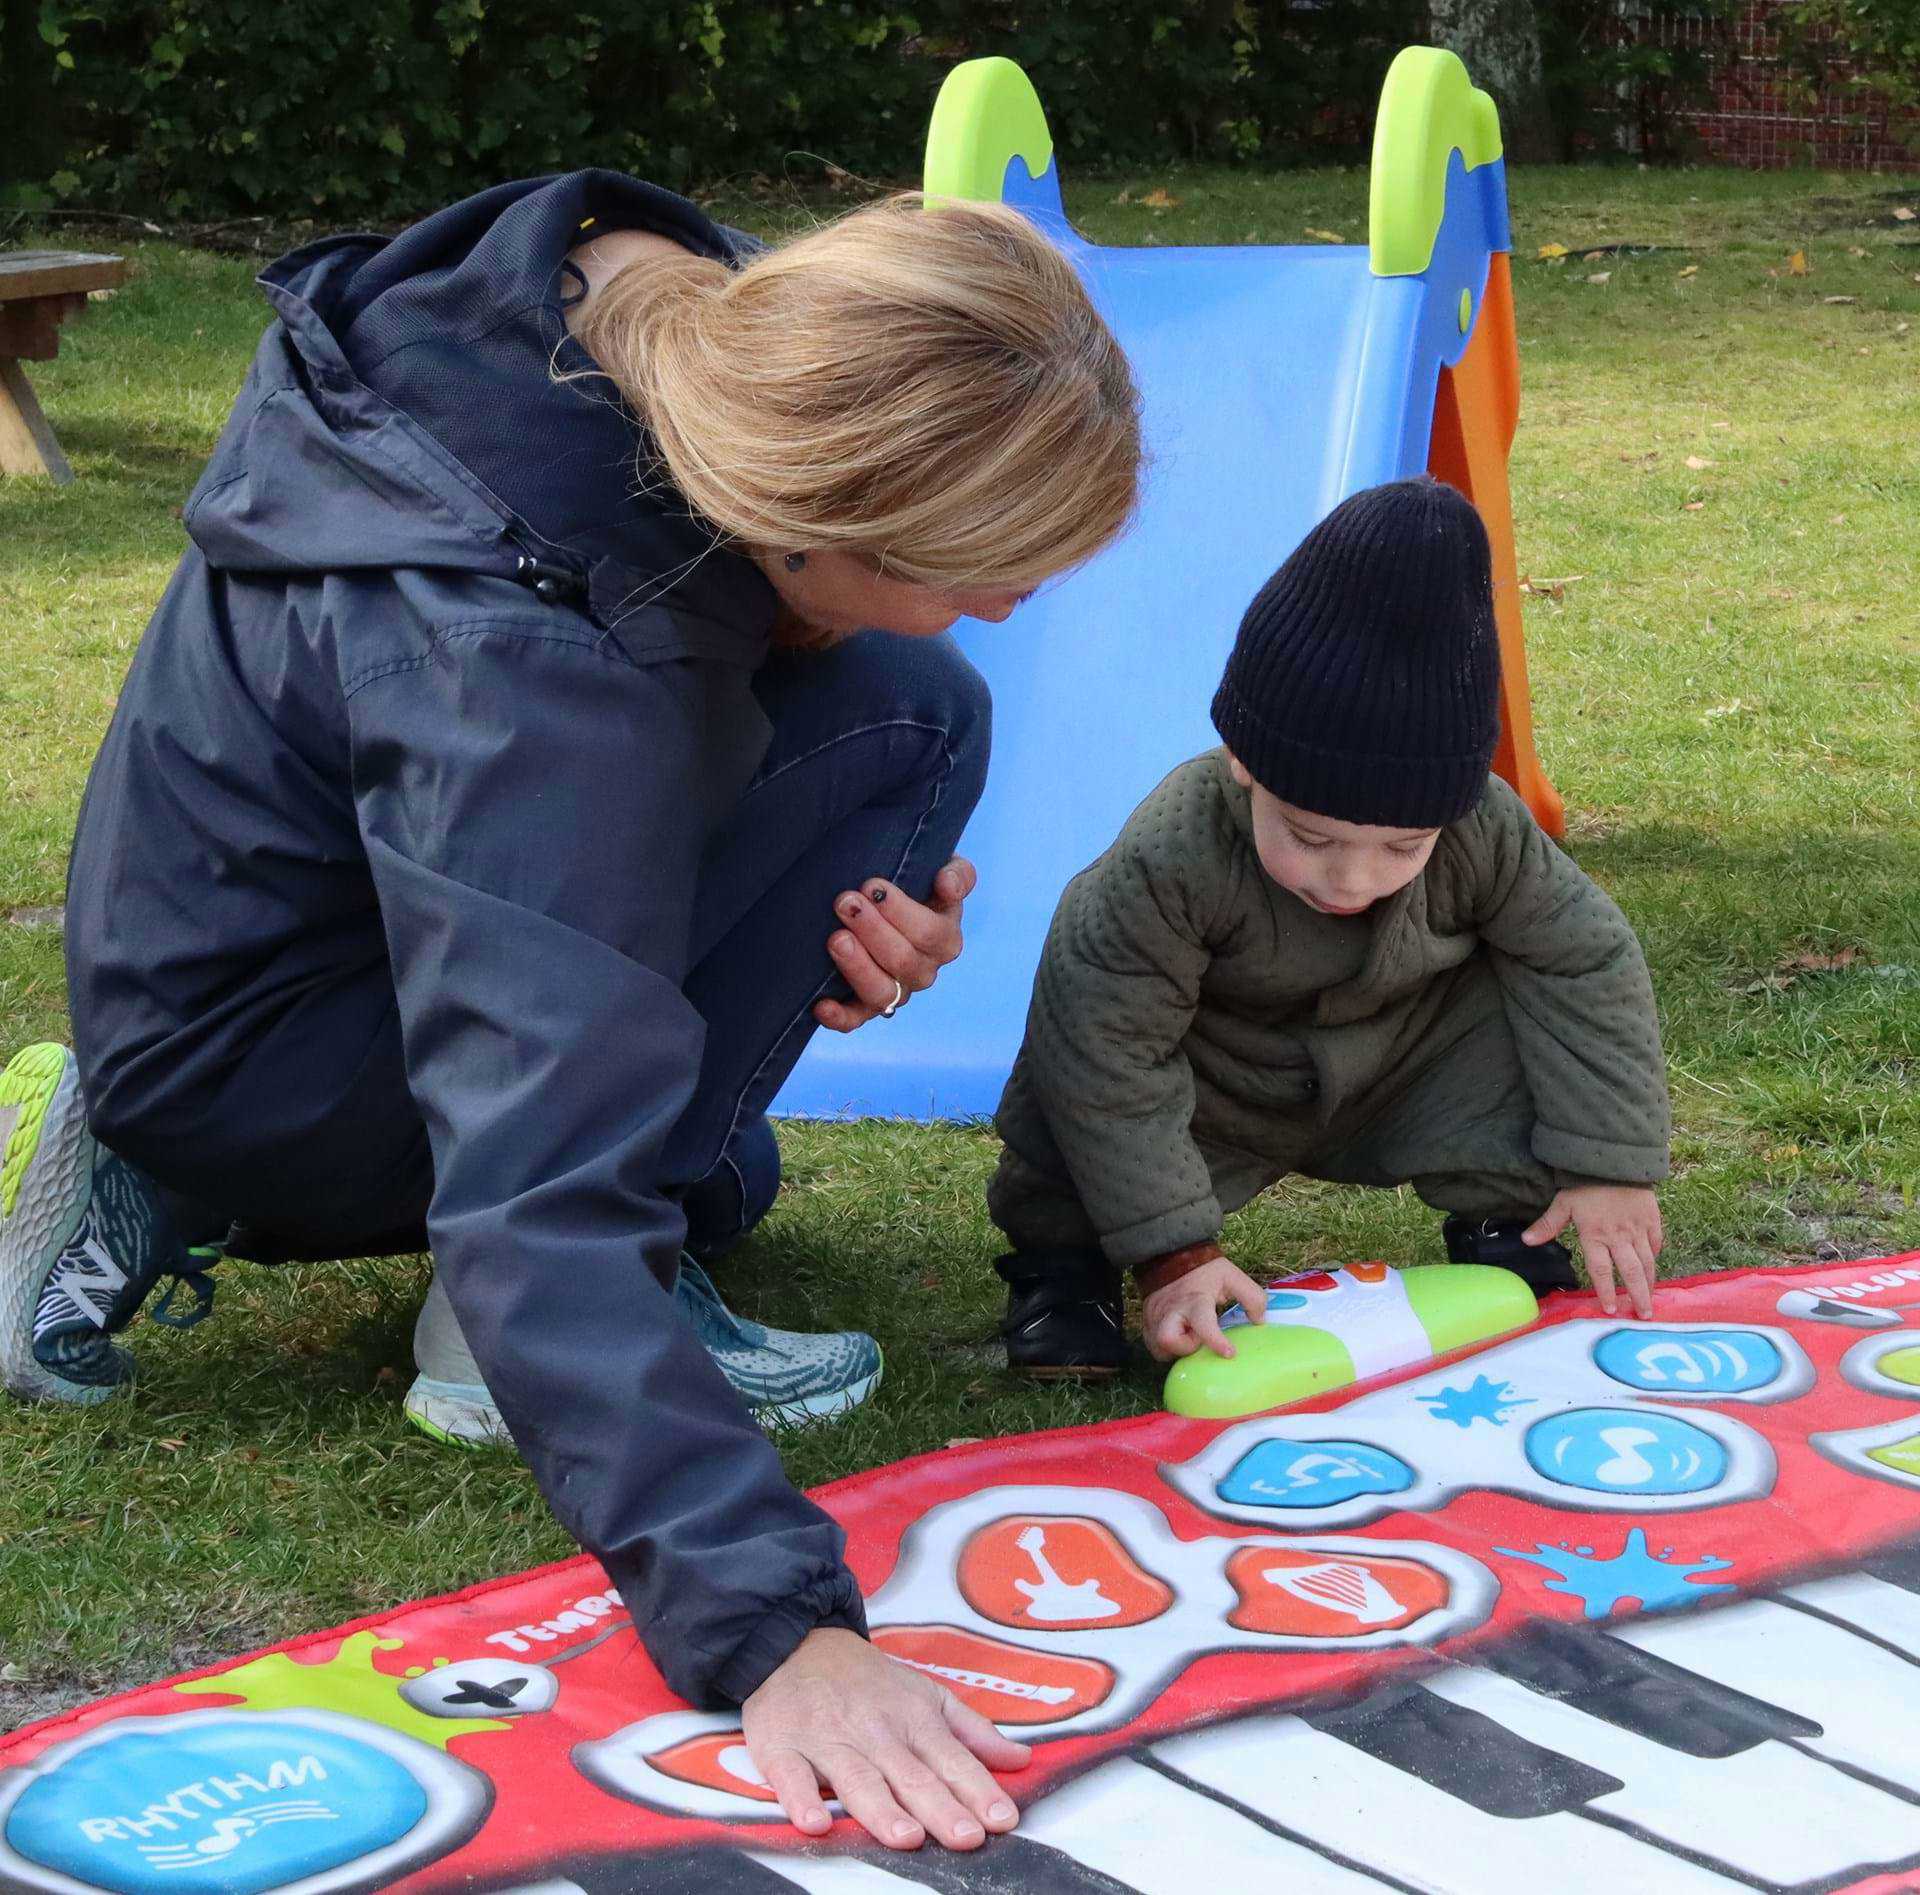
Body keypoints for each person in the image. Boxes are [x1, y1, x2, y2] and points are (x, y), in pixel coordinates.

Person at [0, 173, 1141, 1852]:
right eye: (979, 572)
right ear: (816, 519)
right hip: (253, 1050)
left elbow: (754, 684)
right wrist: (780, 1635)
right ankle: (211, 1197)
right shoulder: (532, 669)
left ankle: (497, 1228)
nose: (1006, 606)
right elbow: (540, 1187)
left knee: (889, 754)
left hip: (291, 928)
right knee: (601, 1198)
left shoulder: (667, 313)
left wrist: (814, 912)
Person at [987, 477, 1671, 1377]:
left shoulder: (1488, 830)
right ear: (1244, 760)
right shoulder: (1169, 857)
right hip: (1209, 1086)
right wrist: (1174, 1252)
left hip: (1397, 1066)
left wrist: (1611, 1159)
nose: (1354, 878)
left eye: (1404, 846)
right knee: (1072, 1082)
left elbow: (1584, 961)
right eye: (1313, 837)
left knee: (1525, 1020)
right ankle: (1062, 1274)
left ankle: (1509, 1224)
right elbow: (1111, 1053)